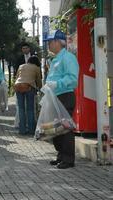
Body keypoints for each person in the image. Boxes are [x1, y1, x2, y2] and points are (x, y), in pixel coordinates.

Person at [44, 30, 79, 169]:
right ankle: (61, 156)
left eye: (50, 42)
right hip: (54, 96)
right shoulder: (56, 58)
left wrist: (57, 84)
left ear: (58, 42)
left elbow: (72, 78)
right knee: (55, 128)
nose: (48, 45)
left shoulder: (68, 58)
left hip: (65, 95)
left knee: (65, 128)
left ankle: (68, 159)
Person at [14, 56, 42, 135]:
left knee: (21, 109)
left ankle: (22, 130)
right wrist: (40, 88)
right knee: (30, 109)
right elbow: (38, 80)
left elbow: (17, 77)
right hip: (29, 87)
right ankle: (31, 130)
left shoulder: (21, 66)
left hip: (18, 86)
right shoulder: (36, 68)